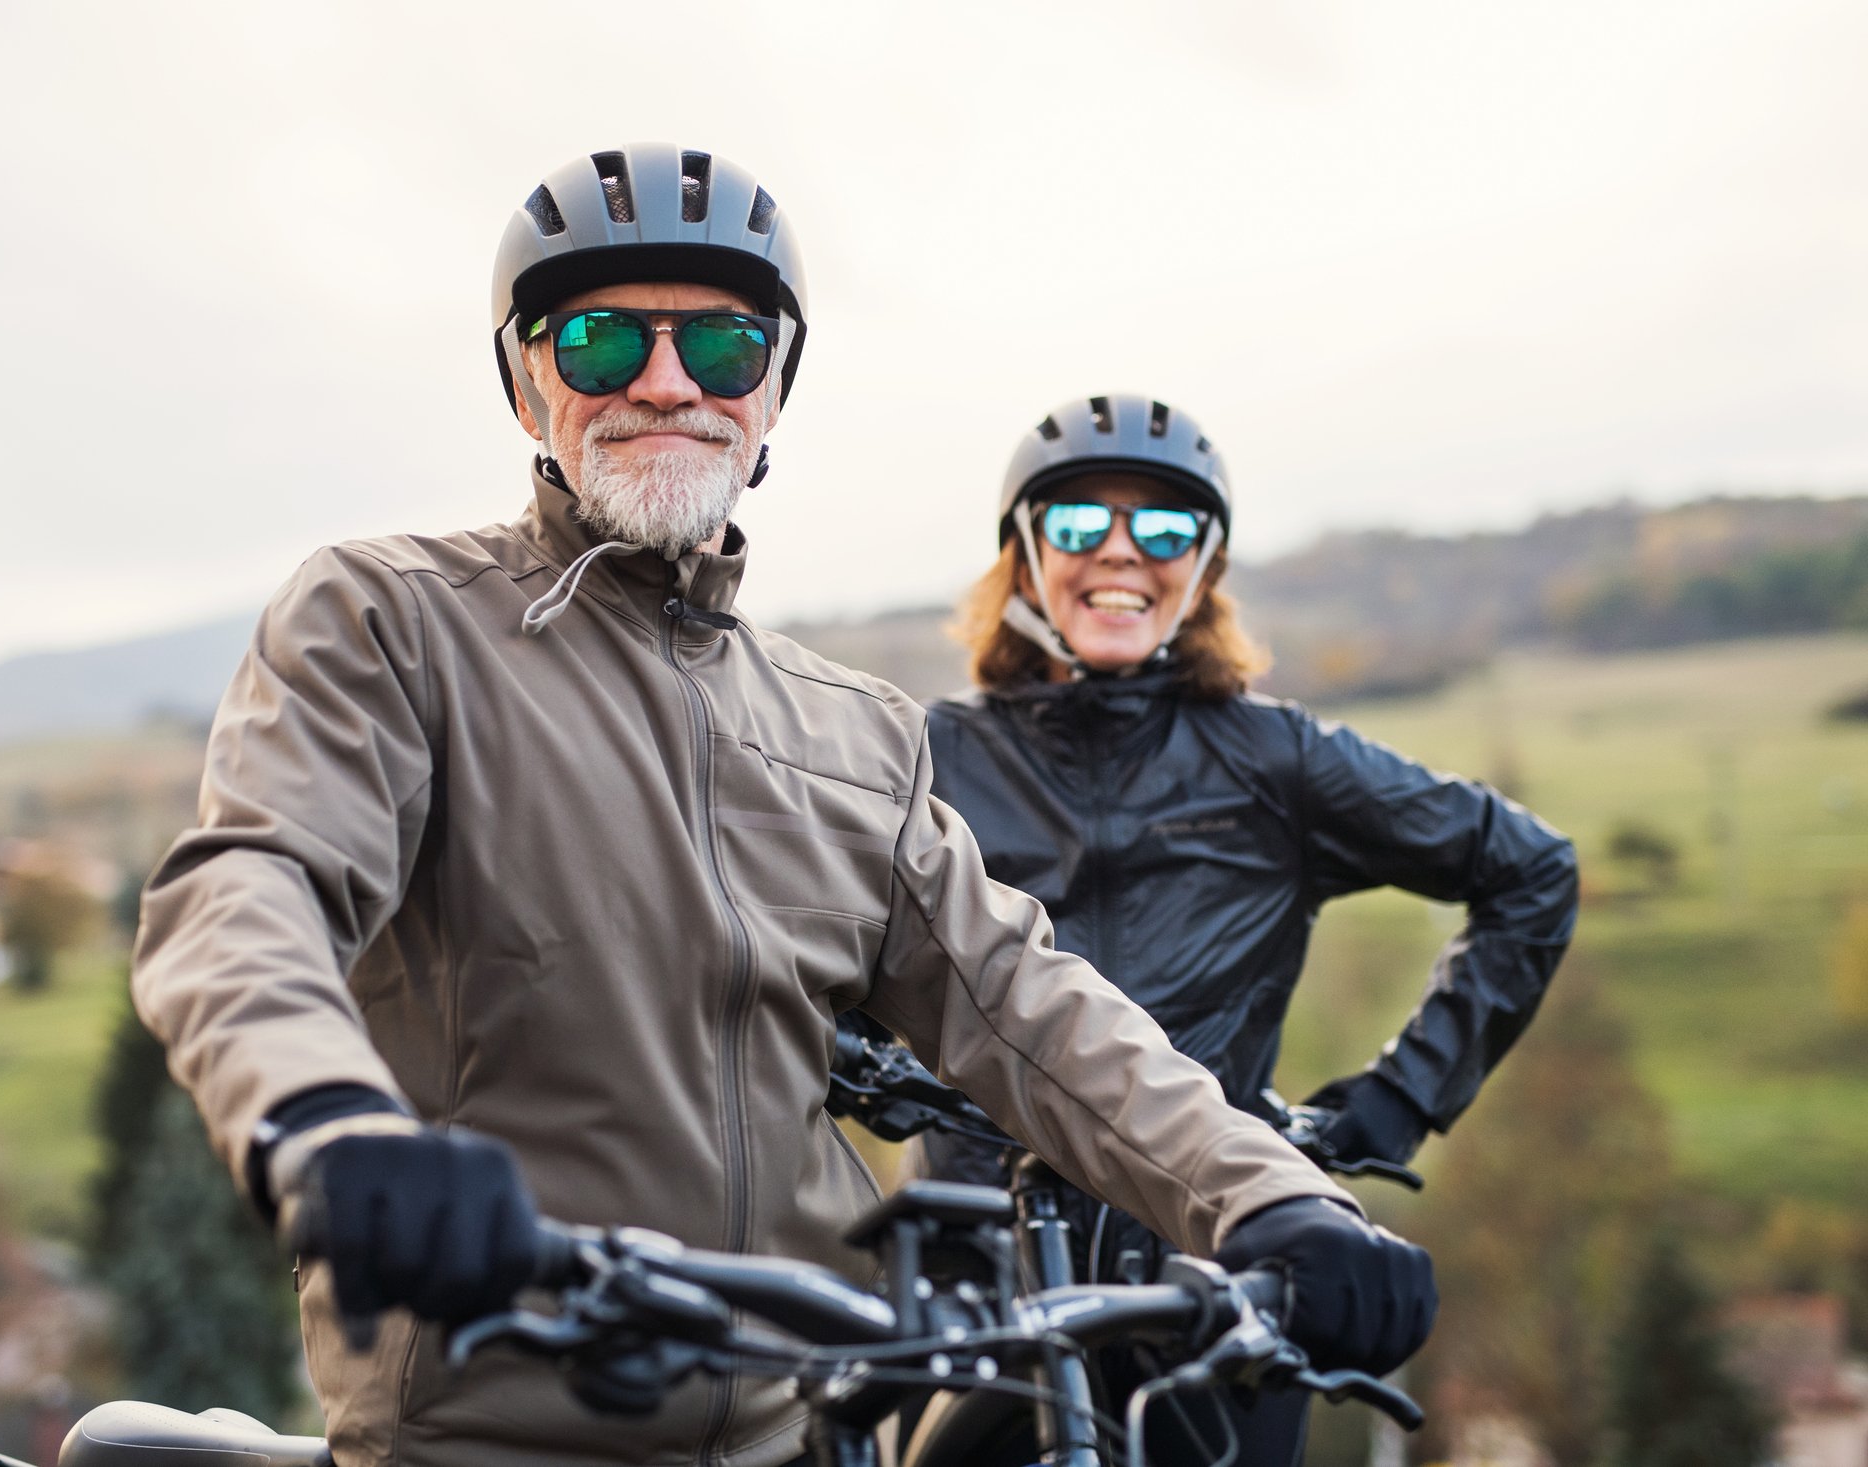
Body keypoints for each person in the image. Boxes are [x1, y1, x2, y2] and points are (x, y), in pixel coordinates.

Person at [131, 153, 1437, 1467]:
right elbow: (248, 888)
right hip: (490, 1429)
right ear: (528, 377)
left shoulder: (850, 726)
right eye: (599, 338)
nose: (666, 381)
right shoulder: (394, 621)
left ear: (771, 387)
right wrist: (327, 1120)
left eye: (720, 339)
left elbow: (1030, 1004)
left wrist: (1273, 1199)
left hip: (814, 1422)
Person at [920, 392, 1580, 1462]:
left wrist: (1396, 1102)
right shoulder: (924, 758)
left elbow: (1530, 872)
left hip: (1219, 1276)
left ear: (1208, 566)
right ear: (1025, 554)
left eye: (1167, 529)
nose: (1122, 554)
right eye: (1080, 523)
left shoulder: (1279, 761)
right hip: (970, 1267)